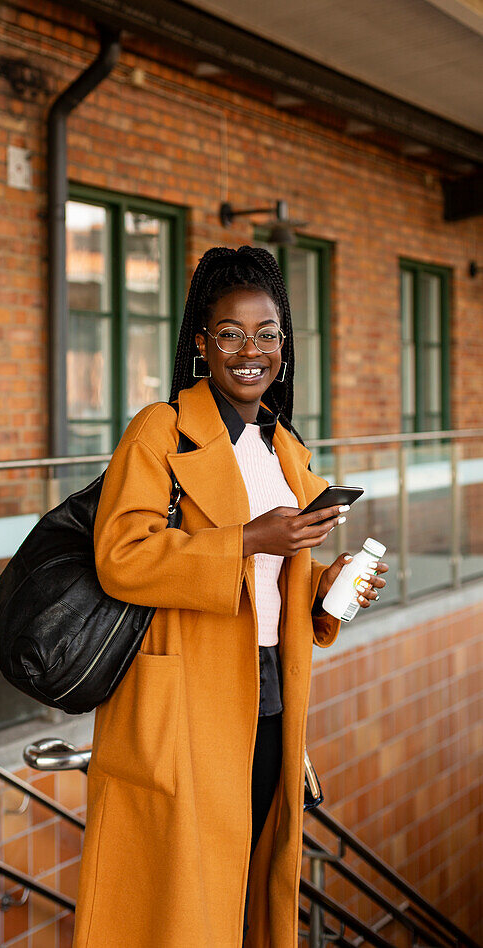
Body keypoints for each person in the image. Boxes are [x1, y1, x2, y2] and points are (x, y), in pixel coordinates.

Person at [72, 246, 387, 948]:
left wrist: (326, 586)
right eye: (231, 333)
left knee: (247, 880)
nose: (252, 350)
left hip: (271, 696)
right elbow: (121, 557)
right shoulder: (160, 430)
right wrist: (245, 539)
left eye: (267, 333)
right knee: (180, 899)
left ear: (284, 344)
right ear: (200, 343)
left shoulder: (287, 448)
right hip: (182, 699)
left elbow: (279, 576)